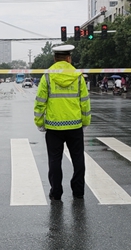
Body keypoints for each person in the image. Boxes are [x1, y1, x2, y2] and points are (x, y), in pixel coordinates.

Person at [34, 44, 91, 201]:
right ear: (69, 58)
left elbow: (40, 102)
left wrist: (39, 122)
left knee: (54, 161)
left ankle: (56, 192)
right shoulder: (78, 76)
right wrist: (85, 121)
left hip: (54, 127)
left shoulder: (47, 76)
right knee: (78, 159)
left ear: (54, 58)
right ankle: (78, 191)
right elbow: (85, 102)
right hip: (75, 126)